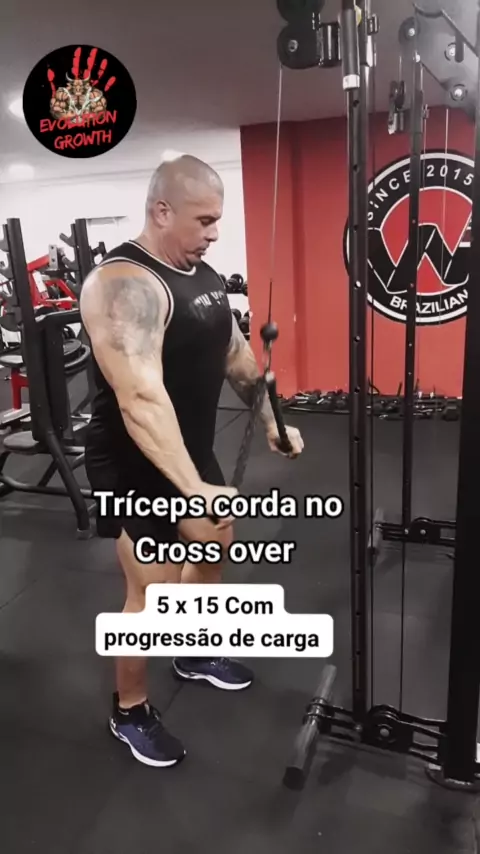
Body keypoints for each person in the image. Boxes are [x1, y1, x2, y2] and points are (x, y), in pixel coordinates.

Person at [80, 154, 304, 769]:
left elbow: (233, 351)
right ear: (162, 211)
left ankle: (192, 649)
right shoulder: (122, 284)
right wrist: (192, 487)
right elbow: (140, 399)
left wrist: (271, 421)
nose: (214, 233)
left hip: (190, 447)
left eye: (217, 220)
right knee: (149, 592)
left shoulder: (201, 275)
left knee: (211, 550)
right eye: (204, 220)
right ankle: (130, 710)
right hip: (135, 459)